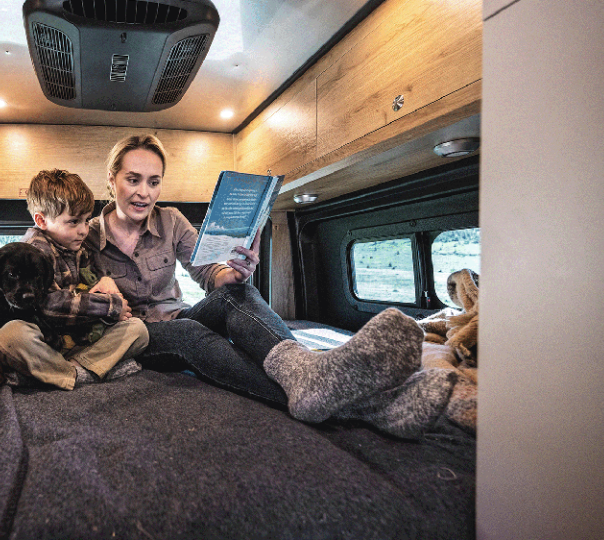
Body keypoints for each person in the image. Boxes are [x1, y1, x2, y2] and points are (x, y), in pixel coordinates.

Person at [87, 135, 453, 435]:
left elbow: (207, 273)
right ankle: (370, 407)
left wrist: (233, 273)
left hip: (180, 314)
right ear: (111, 179)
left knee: (237, 293)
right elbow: (60, 288)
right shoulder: (84, 236)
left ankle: (309, 373)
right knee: (189, 333)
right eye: (132, 179)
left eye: (154, 182)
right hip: (137, 336)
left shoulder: (171, 220)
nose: (144, 193)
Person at [0, 169, 149, 390]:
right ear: (41, 220)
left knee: (138, 331)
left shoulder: (77, 248)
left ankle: (66, 372)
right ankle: (87, 372)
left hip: (76, 339)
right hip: (45, 339)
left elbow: (87, 286)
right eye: (74, 222)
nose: (84, 230)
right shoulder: (34, 251)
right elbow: (48, 304)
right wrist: (109, 306)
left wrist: (102, 284)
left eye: (86, 221)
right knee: (10, 338)